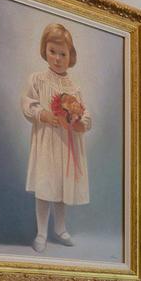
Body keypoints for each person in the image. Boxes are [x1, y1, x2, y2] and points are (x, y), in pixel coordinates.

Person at [20, 21, 91, 253]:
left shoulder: (74, 87)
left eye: (63, 54)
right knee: (45, 186)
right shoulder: (38, 80)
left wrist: (80, 121)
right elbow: (27, 104)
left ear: (71, 56)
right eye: (53, 52)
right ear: (45, 50)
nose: (57, 58)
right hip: (47, 143)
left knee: (61, 188)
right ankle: (41, 232)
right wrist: (43, 114)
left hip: (66, 144)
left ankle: (60, 229)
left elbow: (86, 115)